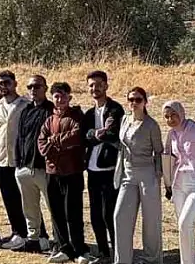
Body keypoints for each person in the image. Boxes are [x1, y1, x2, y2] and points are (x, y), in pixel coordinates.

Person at [38, 82, 87, 264]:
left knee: (73, 213)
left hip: (72, 171)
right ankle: (63, 248)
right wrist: (56, 144)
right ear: (53, 99)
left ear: (69, 97)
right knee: (56, 213)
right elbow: (42, 145)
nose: (60, 100)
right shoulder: (49, 120)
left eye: (63, 96)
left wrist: (54, 141)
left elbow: (76, 137)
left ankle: (79, 250)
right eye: (57, 96)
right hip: (53, 172)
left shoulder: (76, 117)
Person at [113, 87, 163, 264]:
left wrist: (158, 176)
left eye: (138, 99)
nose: (134, 103)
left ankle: (152, 259)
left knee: (151, 221)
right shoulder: (125, 120)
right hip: (128, 174)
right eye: (131, 99)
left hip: (147, 174)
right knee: (120, 216)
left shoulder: (152, 125)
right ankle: (122, 260)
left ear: (145, 102)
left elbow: (158, 152)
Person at [81, 70, 124, 264]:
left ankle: (117, 253)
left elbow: (114, 134)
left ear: (106, 85)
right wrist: (99, 132)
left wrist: (98, 134)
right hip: (92, 169)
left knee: (110, 213)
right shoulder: (89, 113)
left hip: (109, 169)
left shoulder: (115, 109)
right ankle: (103, 252)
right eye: (91, 85)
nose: (94, 88)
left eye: (98, 84)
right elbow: (84, 135)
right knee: (95, 214)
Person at [0, 70, 30, 249]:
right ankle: (17, 232)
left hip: (19, 159)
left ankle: (34, 233)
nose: (3, 86)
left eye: (6, 82)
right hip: (0, 159)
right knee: (8, 198)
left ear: (15, 83)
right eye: (0, 84)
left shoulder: (25, 105)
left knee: (27, 199)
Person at [14, 74, 54, 254]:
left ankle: (59, 241)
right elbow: (20, 137)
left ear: (45, 88)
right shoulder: (26, 110)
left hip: (44, 168)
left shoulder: (52, 110)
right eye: (30, 87)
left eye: (37, 86)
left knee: (53, 207)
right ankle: (33, 240)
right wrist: (18, 163)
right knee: (30, 208)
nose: (33, 90)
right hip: (24, 167)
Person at [163, 100, 195, 264]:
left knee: (185, 223)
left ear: (181, 112)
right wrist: (167, 184)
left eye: (173, 114)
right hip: (178, 185)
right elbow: (168, 159)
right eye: (167, 117)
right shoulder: (171, 134)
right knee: (184, 228)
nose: (171, 119)